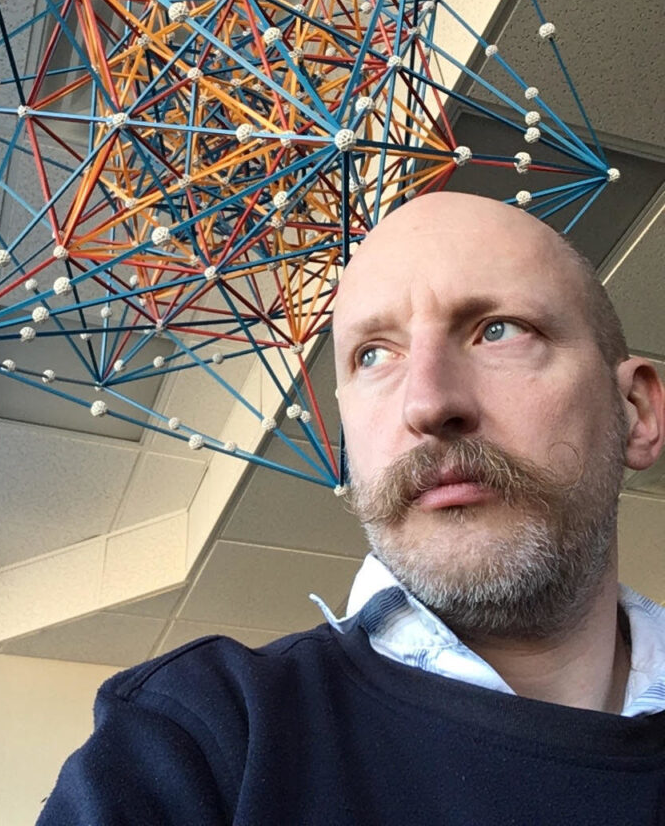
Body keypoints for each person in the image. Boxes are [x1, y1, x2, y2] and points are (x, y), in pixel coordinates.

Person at [37, 192, 665, 825]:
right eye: (374, 355)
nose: (427, 404)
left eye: (498, 330)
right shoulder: (199, 736)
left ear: (637, 413)